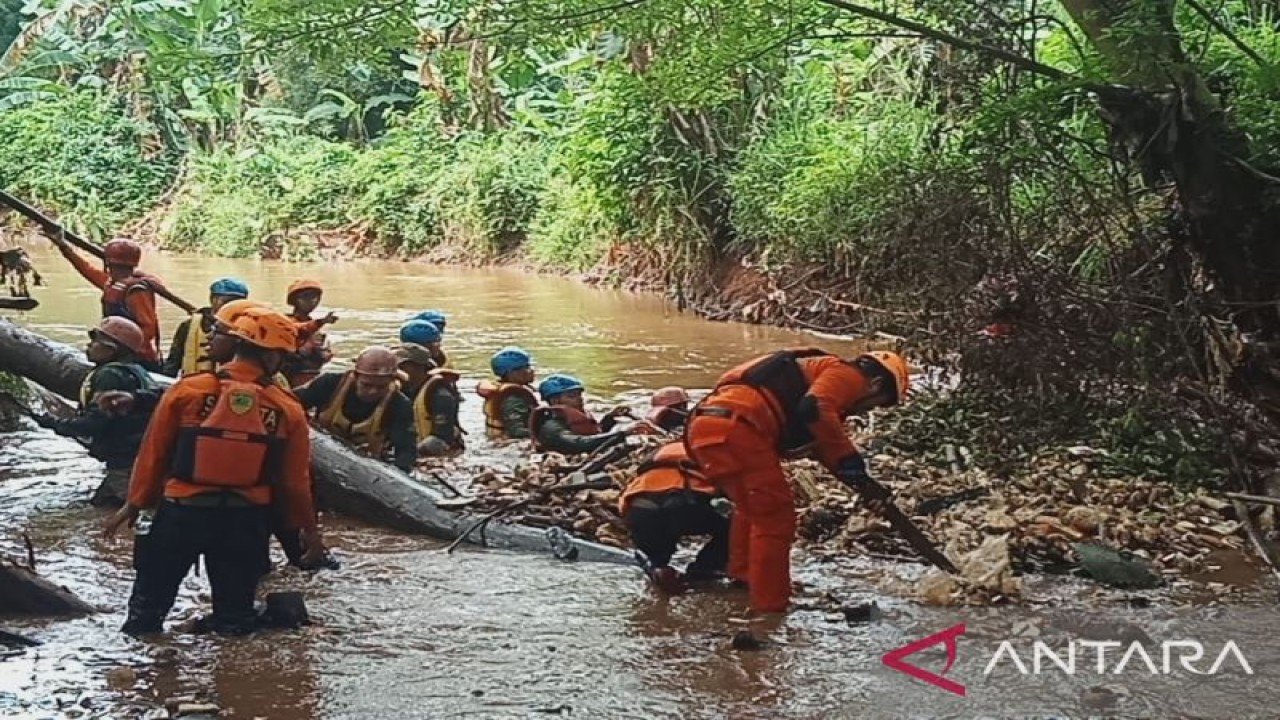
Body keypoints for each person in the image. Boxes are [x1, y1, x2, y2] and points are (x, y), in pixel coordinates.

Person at [103, 310, 327, 636]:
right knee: (235, 622)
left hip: (181, 514)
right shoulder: (287, 408)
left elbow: (153, 455)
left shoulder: (187, 390)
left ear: (238, 344)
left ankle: (142, 673)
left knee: (145, 613)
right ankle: (230, 681)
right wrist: (310, 533)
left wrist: (134, 504)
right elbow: (295, 483)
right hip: (244, 521)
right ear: (272, 355)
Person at [682, 349, 909, 614]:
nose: (867, 409)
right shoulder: (850, 375)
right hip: (740, 429)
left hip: (705, 429)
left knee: (752, 509)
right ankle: (771, 607)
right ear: (877, 384)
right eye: (877, 403)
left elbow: (821, 444)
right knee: (776, 518)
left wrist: (861, 482)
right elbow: (815, 408)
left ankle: (744, 580)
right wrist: (850, 461)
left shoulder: (810, 375)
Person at [32, 317, 157, 506]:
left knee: (129, 508)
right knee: (103, 506)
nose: (89, 346)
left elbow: (95, 423)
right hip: (139, 454)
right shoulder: (136, 371)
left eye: (94, 342)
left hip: (125, 459)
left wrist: (53, 423)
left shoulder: (109, 376)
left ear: (110, 349)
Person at [620, 441, 728, 595]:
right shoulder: (716, 452)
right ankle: (703, 571)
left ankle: (659, 569)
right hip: (684, 504)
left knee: (657, 554)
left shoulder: (664, 450)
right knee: (735, 526)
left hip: (638, 508)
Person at [46, 235, 166, 370]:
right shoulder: (112, 283)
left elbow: (148, 328)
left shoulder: (137, 291)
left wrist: (127, 353)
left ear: (108, 263)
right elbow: (87, 270)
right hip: (115, 351)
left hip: (137, 357)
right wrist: (64, 247)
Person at [295, 345, 416, 472]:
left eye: (381, 387)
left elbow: (406, 449)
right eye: (366, 385)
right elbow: (292, 406)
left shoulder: (399, 405)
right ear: (356, 376)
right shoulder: (329, 383)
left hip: (363, 467)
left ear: (392, 380)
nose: (372, 391)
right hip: (318, 453)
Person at [530, 374, 638, 456]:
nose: (580, 399)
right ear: (555, 401)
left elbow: (594, 434)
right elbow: (579, 444)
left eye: (579, 395)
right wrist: (623, 434)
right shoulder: (551, 427)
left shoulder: (570, 418)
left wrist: (610, 418)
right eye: (572, 396)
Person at [163, 278, 250, 377]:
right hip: (192, 385)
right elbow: (173, 362)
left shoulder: (247, 330)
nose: (232, 307)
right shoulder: (188, 326)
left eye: (238, 303)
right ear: (213, 299)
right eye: (227, 302)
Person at [394, 343, 463, 457]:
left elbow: (441, 439)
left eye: (402, 366)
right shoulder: (404, 390)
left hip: (440, 456)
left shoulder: (441, 396)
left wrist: (409, 454)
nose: (398, 371)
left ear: (418, 367)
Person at [282, 280, 337, 387]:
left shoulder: (315, 329)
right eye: (306, 297)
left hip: (311, 376)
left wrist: (325, 353)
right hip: (291, 376)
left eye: (316, 297)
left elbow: (324, 355)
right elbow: (300, 329)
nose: (313, 301)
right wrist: (321, 322)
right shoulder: (285, 322)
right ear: (295, 300)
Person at [477, 346, 538, 440]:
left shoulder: (502, 389)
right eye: (526, 367)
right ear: (512, 373)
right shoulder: (514, 399)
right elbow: (516, 431)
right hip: (507, 445)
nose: (531, 371)